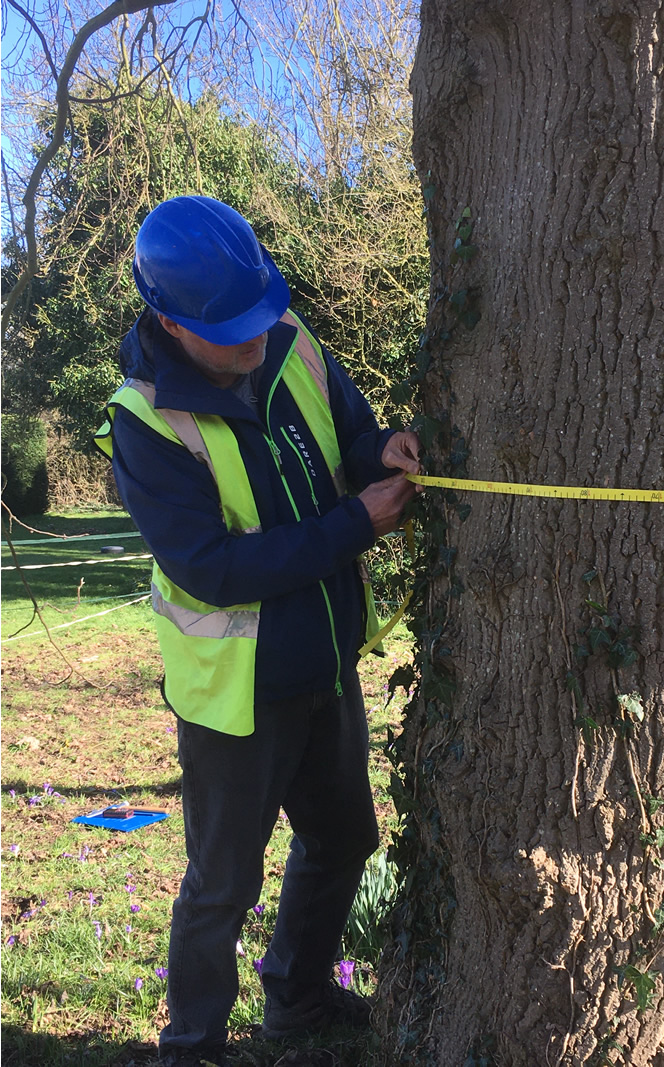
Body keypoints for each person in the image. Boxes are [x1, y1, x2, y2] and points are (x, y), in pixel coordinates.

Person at [94, 195, 422, 1067]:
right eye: (230, 330)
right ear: (169, 320)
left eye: (260, 315)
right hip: (233, 693)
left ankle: (298, 1000)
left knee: (346, 837)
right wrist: (356, 524)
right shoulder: (146, 417)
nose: (254, 340)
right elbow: (212, 567)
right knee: (222, 883)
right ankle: (192, 1045)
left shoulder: (290, 337)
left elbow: (347, 434)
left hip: (324, 659)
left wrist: (379, 453)